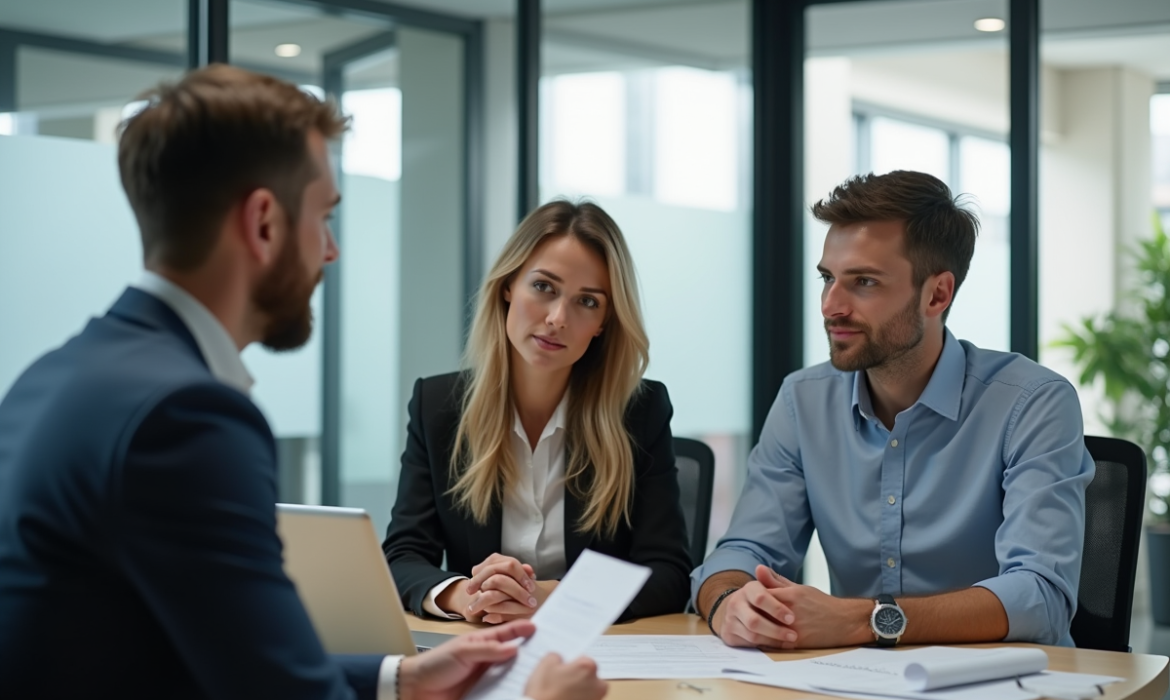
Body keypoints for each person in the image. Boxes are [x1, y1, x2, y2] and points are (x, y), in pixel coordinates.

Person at [0, 65, 606, 700]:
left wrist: (399, 676)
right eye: (324, 217)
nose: (331, 251)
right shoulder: (185, 416)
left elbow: (220, 650)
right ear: (264, 223)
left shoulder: (55, 376)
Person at [692, 170, 1094, 650]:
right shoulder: (803, 400)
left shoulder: (1032, 403)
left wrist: (866, 621)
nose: (830, 305)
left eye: (863, 282)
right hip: (858, 683)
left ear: (936, 294)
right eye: (827, 278)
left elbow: (1039, 596)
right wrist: (729, 604)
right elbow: (743, 551)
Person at [383, 200, 692, 624]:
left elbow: (668, 573)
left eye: (587, 301)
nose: (557, 318)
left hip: (593, 656)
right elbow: (403, 554)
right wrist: (468, 595)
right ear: (508, 285)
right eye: (544, 287)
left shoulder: (638, 412)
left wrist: (547, 596)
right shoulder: (437, 407)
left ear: (604, 322)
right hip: (478, 646)